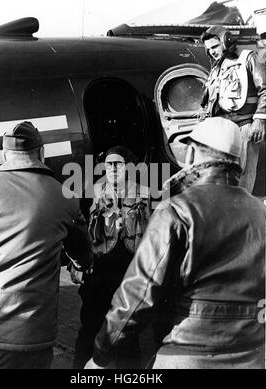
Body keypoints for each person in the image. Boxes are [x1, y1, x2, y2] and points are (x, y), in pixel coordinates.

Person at [84, 117, 265, 369]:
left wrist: (102, 354)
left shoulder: (178, 210)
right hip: (252, 354)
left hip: (190, 352)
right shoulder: (261, 211)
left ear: (191, 152)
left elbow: (140, 293)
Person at [0, 121, 92, 369]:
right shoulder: (63, 195)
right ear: (41, 152)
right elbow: (82, 251)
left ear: (4, 155)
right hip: (30, 336)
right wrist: (81, 265)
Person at [73, 145, 151, 369]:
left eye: (118, 164)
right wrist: (76, 265)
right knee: (89, 330)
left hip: (130, 273)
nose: (113, 169)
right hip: (99, 272)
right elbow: (83, 230)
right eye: (109, 164)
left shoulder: (144, 193)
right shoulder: (94, 191)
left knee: (129, 335)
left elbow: (152, 235)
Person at [200, 26, 266, 193]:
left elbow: (265, 89)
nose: (212, 52)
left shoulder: (248, 58)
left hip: (245, 126)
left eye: (214, 46)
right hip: (223, 129)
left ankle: (241, 214)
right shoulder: (217, 68)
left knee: (242, 178)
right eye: (208, 49)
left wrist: (259, 120)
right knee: (220, 178)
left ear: (226, 40)